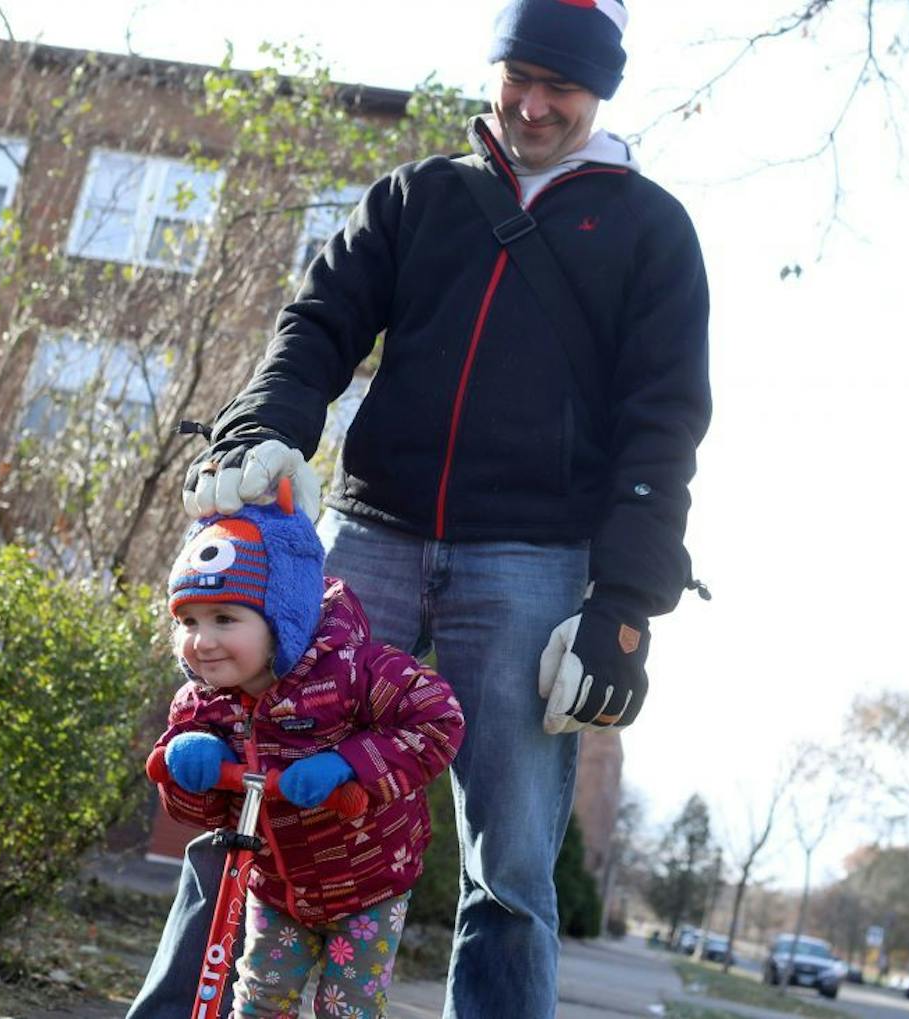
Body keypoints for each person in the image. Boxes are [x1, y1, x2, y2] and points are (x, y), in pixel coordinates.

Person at [132, 0, 711, 1015]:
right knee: (250, 794)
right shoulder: (416, 196)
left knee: (511, 863)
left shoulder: (649, 229)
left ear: (602, 91)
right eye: (517, 75)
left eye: (561, 89)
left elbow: (662, 422)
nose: (532, 105)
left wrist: (622, 602)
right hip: (373, 535)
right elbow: (317, 322)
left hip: (532, 560)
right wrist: (260, 429)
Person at [149, 487, 465, 1017]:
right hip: (278, 888)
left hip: (370, 881)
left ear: (282, 618)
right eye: (189, 621)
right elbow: (202, 812)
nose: (202, 641)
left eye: (225, 619)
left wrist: (349, 765)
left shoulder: (351, 670)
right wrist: (188, 766)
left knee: (348, 1008)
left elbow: (438, 718)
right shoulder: (202, 704)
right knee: (259, 1001)